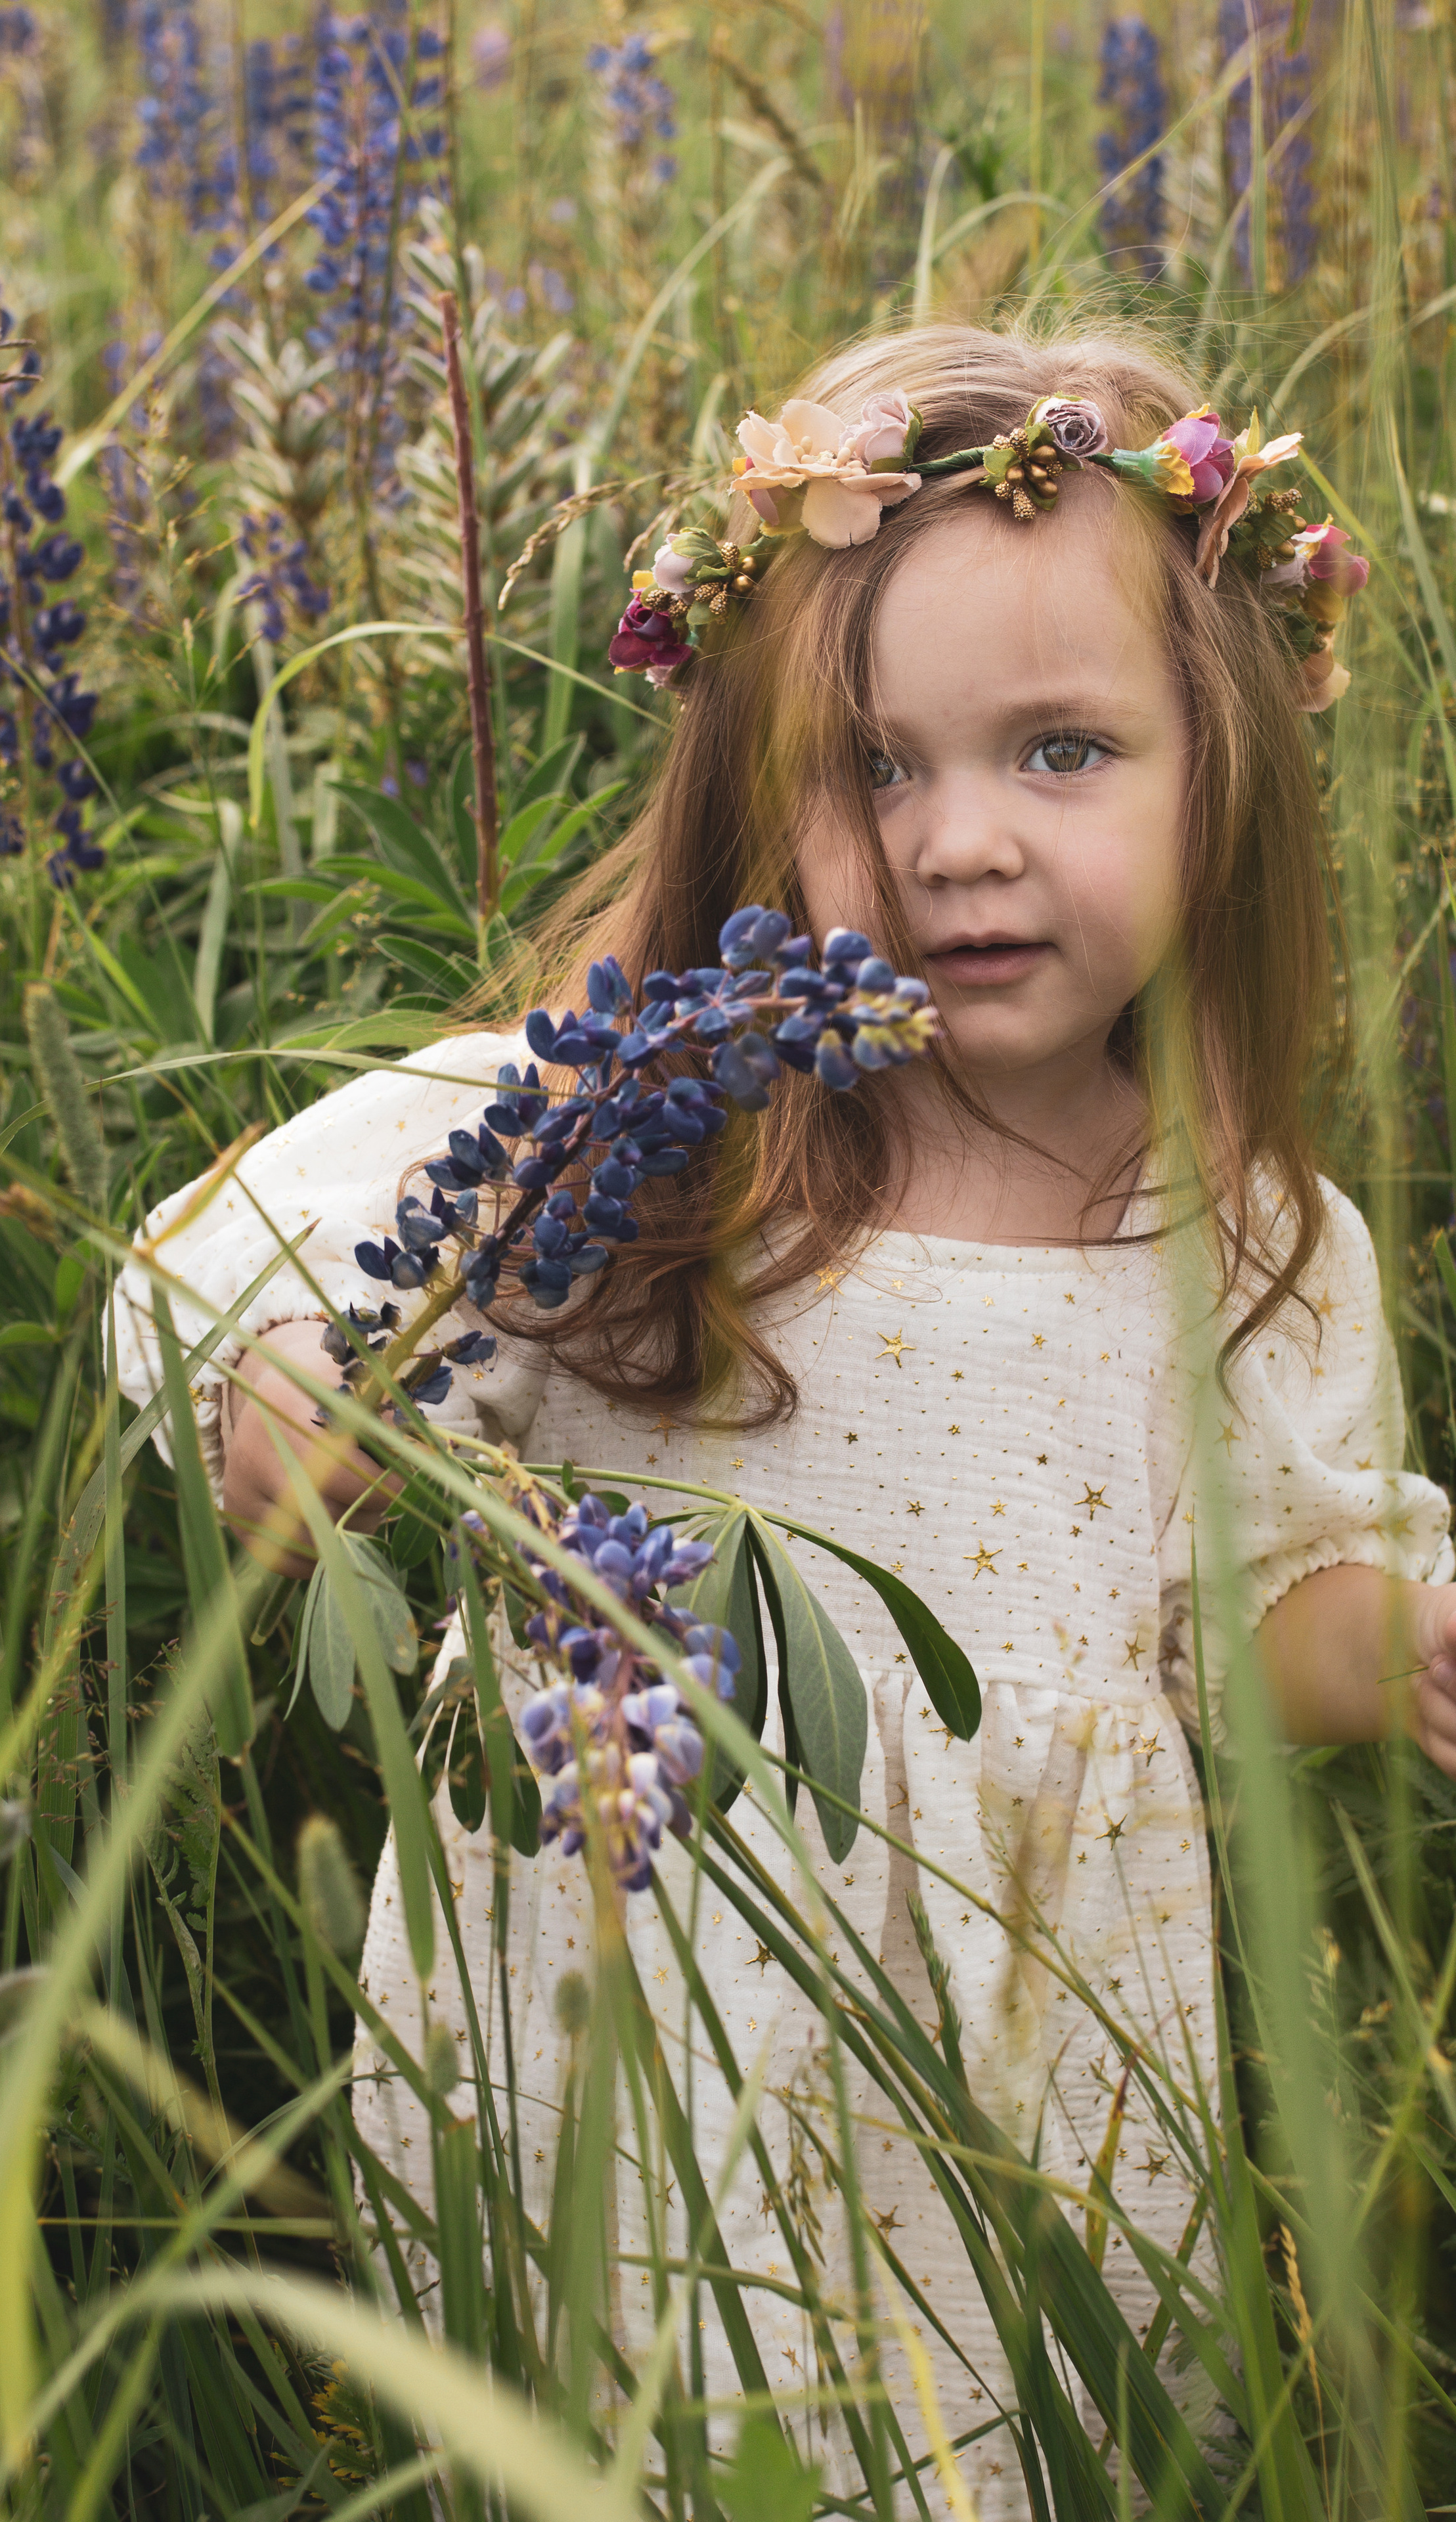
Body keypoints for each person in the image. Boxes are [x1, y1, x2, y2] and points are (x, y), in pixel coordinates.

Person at [115, 323, 1456, 2513]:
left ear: (1227, 770)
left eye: (1059, 752)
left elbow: (1243, 1607)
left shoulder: (1256, 1229)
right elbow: (208, 1257)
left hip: (1021, 2040)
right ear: (755, 794)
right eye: (875, 768)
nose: (958, 845)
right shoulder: (634, 1130)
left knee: (1002, 2445)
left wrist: (1386, 1643)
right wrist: (290, 1387)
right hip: (626, 1975)